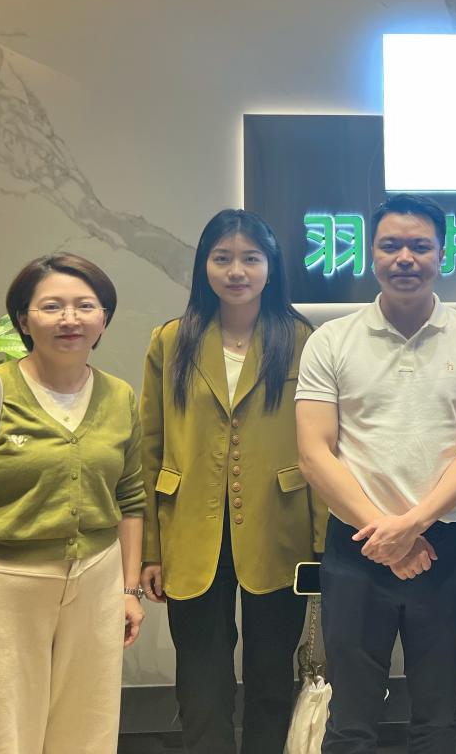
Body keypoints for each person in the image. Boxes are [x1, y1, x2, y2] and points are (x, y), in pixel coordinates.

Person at [295, 193, 456, 754]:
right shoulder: (331, 339)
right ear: (371, 253)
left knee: (438, 710)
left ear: (442, 255)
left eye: (420, 246)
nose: (405, 258)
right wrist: (385, 535)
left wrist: (411, 525)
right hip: (355, 549)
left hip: (444, 548)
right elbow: (314, 452)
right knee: (351, 714)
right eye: (391, 245)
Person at [0, 253, 146, 753]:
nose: (70, 319)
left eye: (85, 306)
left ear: (104, 319)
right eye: (52, 306)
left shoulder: (119, 397)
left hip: (96, 582)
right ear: (23, 319)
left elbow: (130, 498)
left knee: (88, 734)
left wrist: (128, 590)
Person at [140, 209, 325, 754]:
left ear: (271, 266)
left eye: (250, 258)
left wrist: (323, 546)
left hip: (279, 526)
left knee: (272, 670)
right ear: (204, 266)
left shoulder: (301, 338)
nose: (236, 271)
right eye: (222, 258)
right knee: (200, 673)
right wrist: (150, 550)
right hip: (189, 527)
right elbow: (149, 447)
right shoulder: (172, 340)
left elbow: (323, 447)